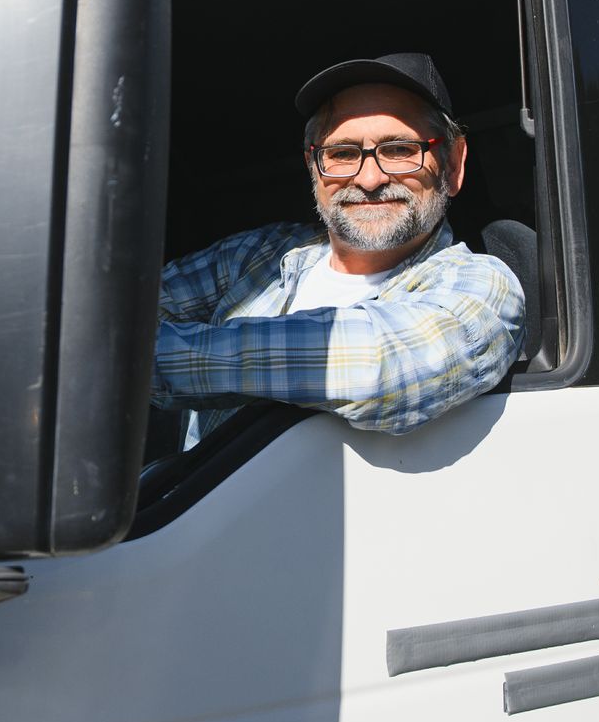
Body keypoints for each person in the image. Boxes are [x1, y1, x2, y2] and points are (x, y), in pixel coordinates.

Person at [152, 52, 526, 442]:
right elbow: (131, 311)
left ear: (452, 165)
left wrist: (141, 359)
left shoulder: (482, 286)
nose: (369, 179)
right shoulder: (259, 254)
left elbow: (379, 365)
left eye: (399, 150)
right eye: (343, 154)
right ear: (313, 168)